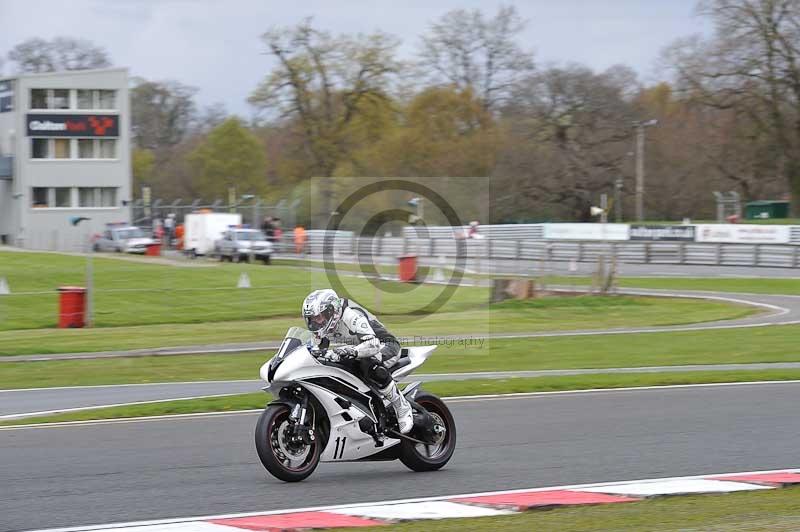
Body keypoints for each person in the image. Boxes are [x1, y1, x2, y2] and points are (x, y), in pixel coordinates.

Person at [301, 289, 413, 433]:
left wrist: (351, 351)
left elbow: (373, 345)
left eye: (319, 317)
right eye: (312, 319)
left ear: (331, 311)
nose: (316, 322)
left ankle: (401, 406)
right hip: (359, 348)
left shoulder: (350, 315)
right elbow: (315, 350)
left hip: (384, 345)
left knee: (370, 364)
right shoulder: (323, 327)